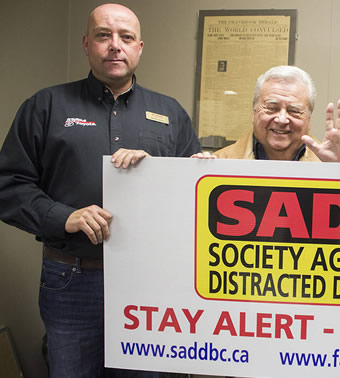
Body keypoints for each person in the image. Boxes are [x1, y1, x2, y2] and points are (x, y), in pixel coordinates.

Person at [0, 3, 201, 377]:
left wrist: (167, 171)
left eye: (126, 37)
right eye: (104, 35)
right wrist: (63, 216)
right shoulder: (46, 105)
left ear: (140, 47)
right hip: (72, 281)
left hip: (150, 284)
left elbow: (193, 197)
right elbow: (8, 185)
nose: (115, 45)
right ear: (86, 43)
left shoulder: (170, 112)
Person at [194, 65, 340, 162]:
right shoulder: (219, 163)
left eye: (294, 110)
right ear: (253, 113)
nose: (282, 119)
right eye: (272, 107)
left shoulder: (327, 164)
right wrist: (193, 173)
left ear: (309, 119)